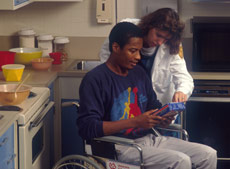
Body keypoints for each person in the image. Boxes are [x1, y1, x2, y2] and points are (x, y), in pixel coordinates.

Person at [77, 22, 217, 169]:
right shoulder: (95, 79)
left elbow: (153, 106)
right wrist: (136, 122)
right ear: (116, 48)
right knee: (180, 161)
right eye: (132, 51)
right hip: (116, 146)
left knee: (208, 154)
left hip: (148, 139)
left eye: (139, 51)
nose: (138, 57)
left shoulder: (139, 74)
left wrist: (162, 118)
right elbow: (87, 127)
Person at [99, 8, 194, 105]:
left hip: (155, 104)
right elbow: (107, 58)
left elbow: (183, 76)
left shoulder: (172, 44)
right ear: (149, 26)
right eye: (158, 35)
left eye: (165, 39)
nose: (160, 42)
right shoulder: (127, 29)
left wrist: (181, 91)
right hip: (124, 100)